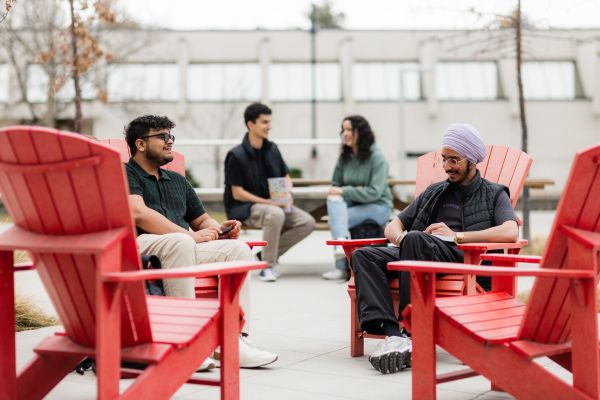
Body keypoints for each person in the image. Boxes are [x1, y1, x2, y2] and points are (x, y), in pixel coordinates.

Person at [351, 123, 518, 374]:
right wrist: (401, 238)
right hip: (418, 250)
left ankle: (411, 329)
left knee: (417, 238)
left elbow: (510, 230)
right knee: (363, 256)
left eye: (455, 160)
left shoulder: (494, 193)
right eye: (444, 159)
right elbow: (393, 224)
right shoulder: (435, 191)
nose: (448, 166)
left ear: (472, 160)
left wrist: (457, 237)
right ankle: (394, 335)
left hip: (460, 257)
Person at [124, 115, 278, 370]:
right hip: (139, 246)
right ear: (140, 144)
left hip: (181, 248)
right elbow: (138, 213)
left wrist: (221, 230)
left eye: (171, 136)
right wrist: (189, 236)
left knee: (238, 249)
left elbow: (202, 220)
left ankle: (233, 341)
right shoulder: (126, 172)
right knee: (179, 242)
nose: (169, 142)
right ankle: (186, 341)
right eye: (162, 136)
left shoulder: (178, 181)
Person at [224, 103, 316, 282]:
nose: (269, 126)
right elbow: (237, 193)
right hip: (245, 207)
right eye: (264, 122)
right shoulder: (235, 155)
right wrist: (269, 203)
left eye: (270, 122)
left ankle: (264, 255)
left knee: (307, 222)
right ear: (251, 125)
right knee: (274, 214)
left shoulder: (272, 148)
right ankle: (268, 265)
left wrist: (288, 191)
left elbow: (286, 175)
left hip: (276, 204)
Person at [323, 115, 393, 280]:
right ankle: (341, 244)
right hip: (354, 205)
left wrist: (346, 190)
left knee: (336, 219)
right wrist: (352, 191)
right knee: (333, 200)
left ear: (360, 132)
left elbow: (374, 192)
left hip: (379, 206)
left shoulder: (377, 158)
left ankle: (340, 266)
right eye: (343, 130)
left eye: (349, 129)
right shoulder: (344, 157)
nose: (345, 133)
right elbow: (335, 186)